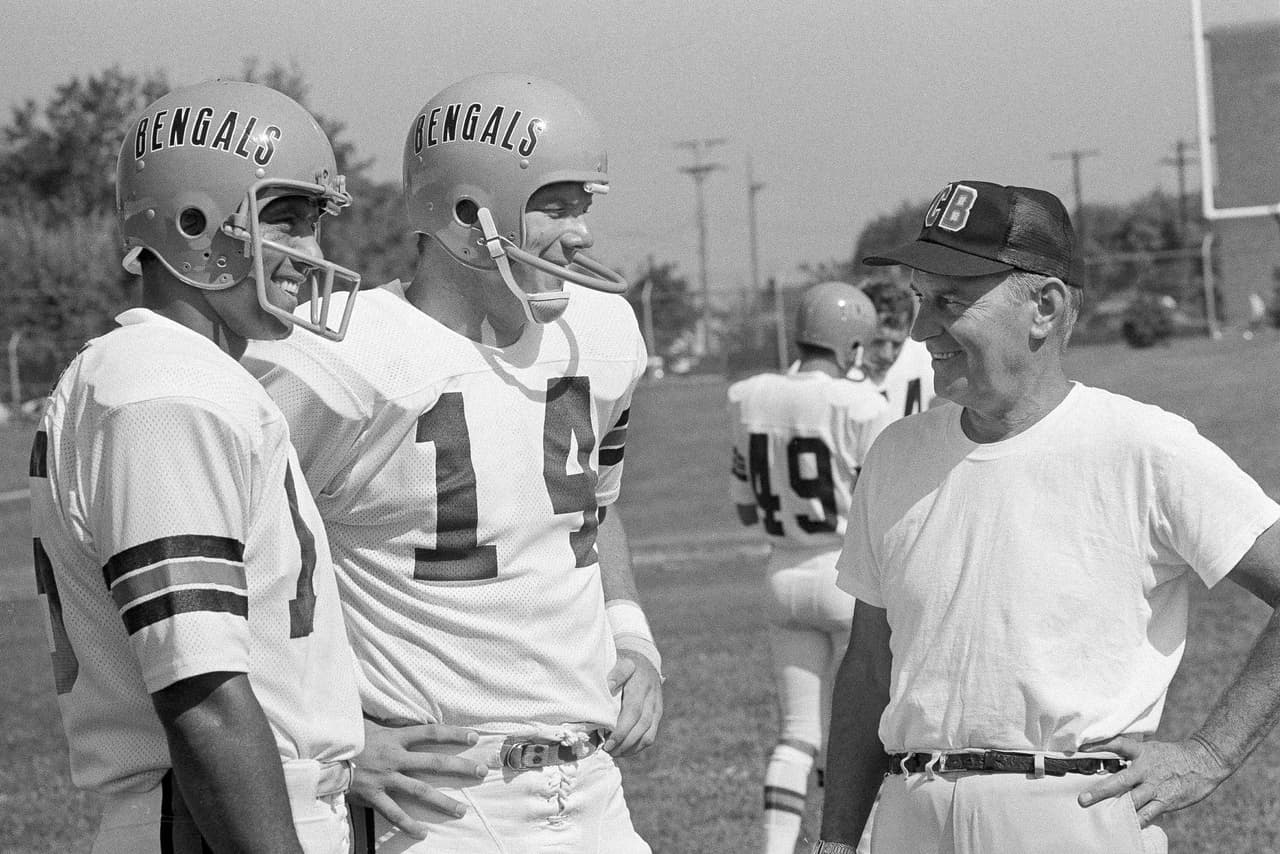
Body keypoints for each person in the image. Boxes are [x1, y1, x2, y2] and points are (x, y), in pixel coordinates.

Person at [242, 72, 661, 854]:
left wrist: (632, 635)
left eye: (585, 206)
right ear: (472, 213)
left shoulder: (603, 333)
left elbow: (595, 507)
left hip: (594, 789)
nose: (582, 235)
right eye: (558, 205)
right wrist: (337, 735)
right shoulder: (339, 356)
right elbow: (239, 555)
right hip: (439, 804)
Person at [815, 180, 1280, 854]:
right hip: (909, 817)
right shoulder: (896, 454)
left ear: (1045, 305)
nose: (920, 330)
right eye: (919, 300)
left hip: (1070, 813)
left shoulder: (1142, 447)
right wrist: (834, 842)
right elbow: (866, 670)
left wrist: (1209, 753)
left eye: (950, 301)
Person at [28, 80, 365, 853]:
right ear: (195, 224)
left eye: (315, 223)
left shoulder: (172, 375)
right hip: (209, 826)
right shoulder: (166, 391)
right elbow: (202, 692)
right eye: (287, 220)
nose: (311, 253)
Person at [729, 282, 893, 854]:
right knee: (864, 741)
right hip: (849, 579)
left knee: (797, 736)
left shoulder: (749, 396)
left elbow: (747, 506)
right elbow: (888, 507)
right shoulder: (862, 404)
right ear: (850, 346)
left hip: (781, 574)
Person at [848, 276, 936, 417]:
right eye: (877, 342)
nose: (887, 356)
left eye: (897, 344)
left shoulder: (928, 358)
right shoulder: (827, 372)